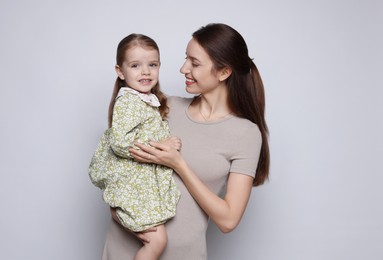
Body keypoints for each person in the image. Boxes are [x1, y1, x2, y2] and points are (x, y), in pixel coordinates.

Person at [101, 23, 270, 260]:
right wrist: (116, 203)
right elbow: (116, 152)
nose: (183, 69)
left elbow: (229, 220)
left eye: (195, 62)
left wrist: (178, 164)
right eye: (185, 59)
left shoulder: (245, 133)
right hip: (124, 249)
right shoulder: (162, 107)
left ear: (224, 72)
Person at [88, 33, 181, 260]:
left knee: (157, 238)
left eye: (152, 65)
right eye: (135, 65)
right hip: (133, 187)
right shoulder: (129, 100)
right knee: (158, 241)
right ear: (120, 71)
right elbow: (120, 143)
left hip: (141, 186)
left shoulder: (145, 99)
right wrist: (162, 146)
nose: (146, 72)